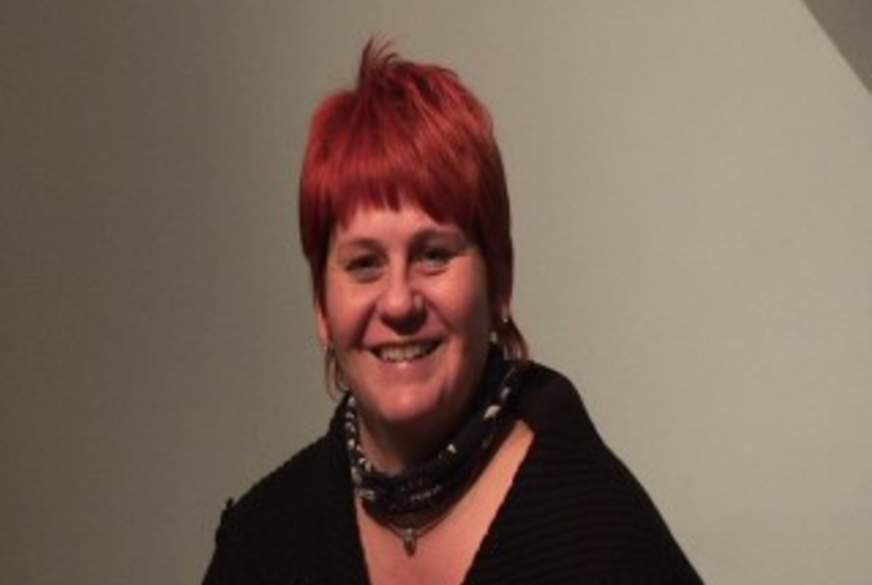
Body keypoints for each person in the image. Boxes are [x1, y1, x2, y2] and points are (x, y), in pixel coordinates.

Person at [202, 40, 702, 585]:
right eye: (365, 264)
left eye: (434, 254)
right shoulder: (261, 548)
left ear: (500, 279)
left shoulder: (606, 541)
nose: (399, 302)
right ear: (322, 304)